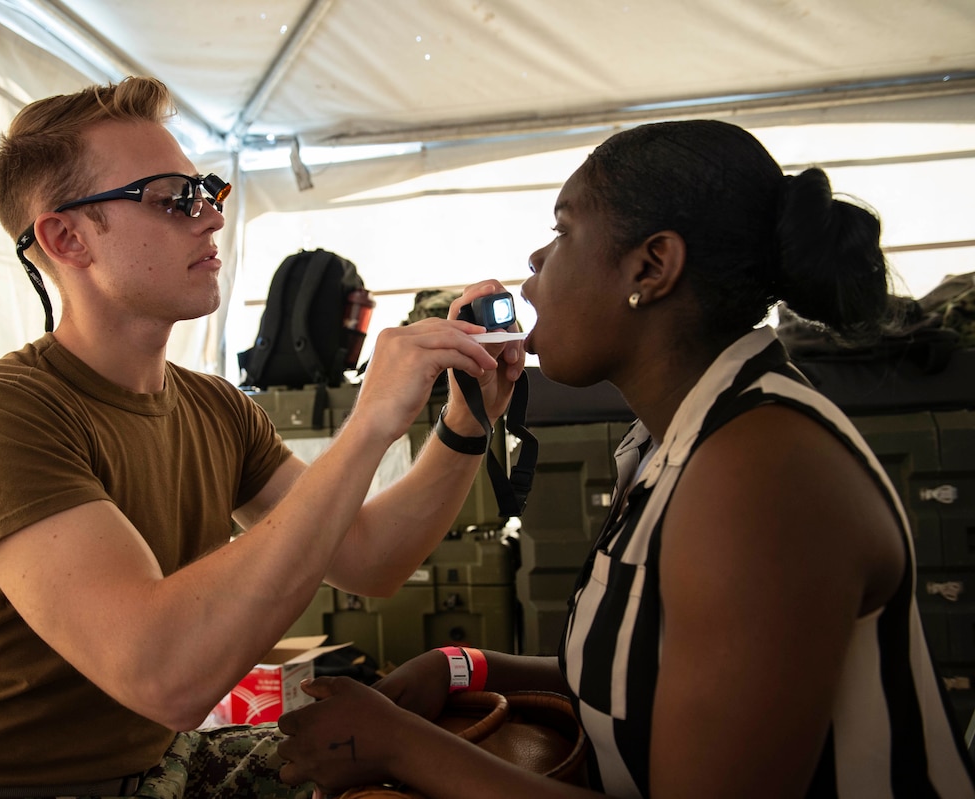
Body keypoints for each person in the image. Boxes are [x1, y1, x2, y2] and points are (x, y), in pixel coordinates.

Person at [275, 120, 975, 798]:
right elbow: (636, 680)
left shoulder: (760, 474)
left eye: (562, 230)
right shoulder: (678, 441)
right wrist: (463, 665)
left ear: (652, 266)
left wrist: (399, 743)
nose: (535, 264)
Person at [0, 76, 525, 798]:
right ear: (66, 236)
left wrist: (466, 423)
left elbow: (370, 558)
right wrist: (370, 424)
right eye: (170, 198)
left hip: (155, 765)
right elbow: (165, 675)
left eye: (206, 192)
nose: (211, 219)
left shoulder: (216, 408)